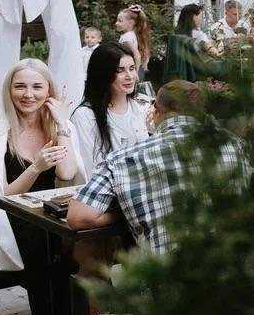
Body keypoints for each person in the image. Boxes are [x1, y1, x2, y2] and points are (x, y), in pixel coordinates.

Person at [68, 81, 244, 254]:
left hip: (167, 270)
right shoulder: (235, 145)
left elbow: (78, 217)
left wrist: (124, 212)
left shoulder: (121, 160)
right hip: (233, 266)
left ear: (157, 112)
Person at [0, 59, 84, 279]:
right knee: (42, 239)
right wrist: (36, 167)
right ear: (9, 90)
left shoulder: (61, 127)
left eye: (37, 87)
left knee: (80, 237)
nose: (28, 94)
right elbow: (0, 198)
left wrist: (61, 125)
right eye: (20, 86)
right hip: (13, 217)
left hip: (53, 214)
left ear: (49, 91)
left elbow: (66, 173)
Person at [70, 42, 150, 172]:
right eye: (120, 70)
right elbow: (88, 168)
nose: (129, 76)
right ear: (103, 74)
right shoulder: (85, 116)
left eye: (132, 68)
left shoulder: (141, 107)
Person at [115, 5, 153, 77]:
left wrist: (136, 72)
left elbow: (137, 55)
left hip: (131, 71)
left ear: (131, 22)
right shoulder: (133, 34)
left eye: (120, 21)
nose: (116, 23)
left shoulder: (126, 37)